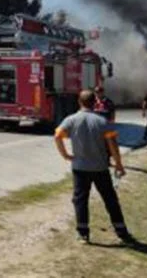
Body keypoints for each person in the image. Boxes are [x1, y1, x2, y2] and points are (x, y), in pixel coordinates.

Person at [54, 89, 135, 245]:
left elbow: (57, 136)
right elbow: (113, 146)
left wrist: (65, 155)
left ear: (79, 102)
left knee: (80, 200)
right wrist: (119, 165)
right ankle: (121, 232)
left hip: (79, 168)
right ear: (95, 103)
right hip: (100, 168)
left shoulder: (71, 120)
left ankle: (83, 233)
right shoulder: (103, 122)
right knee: (110, 199)